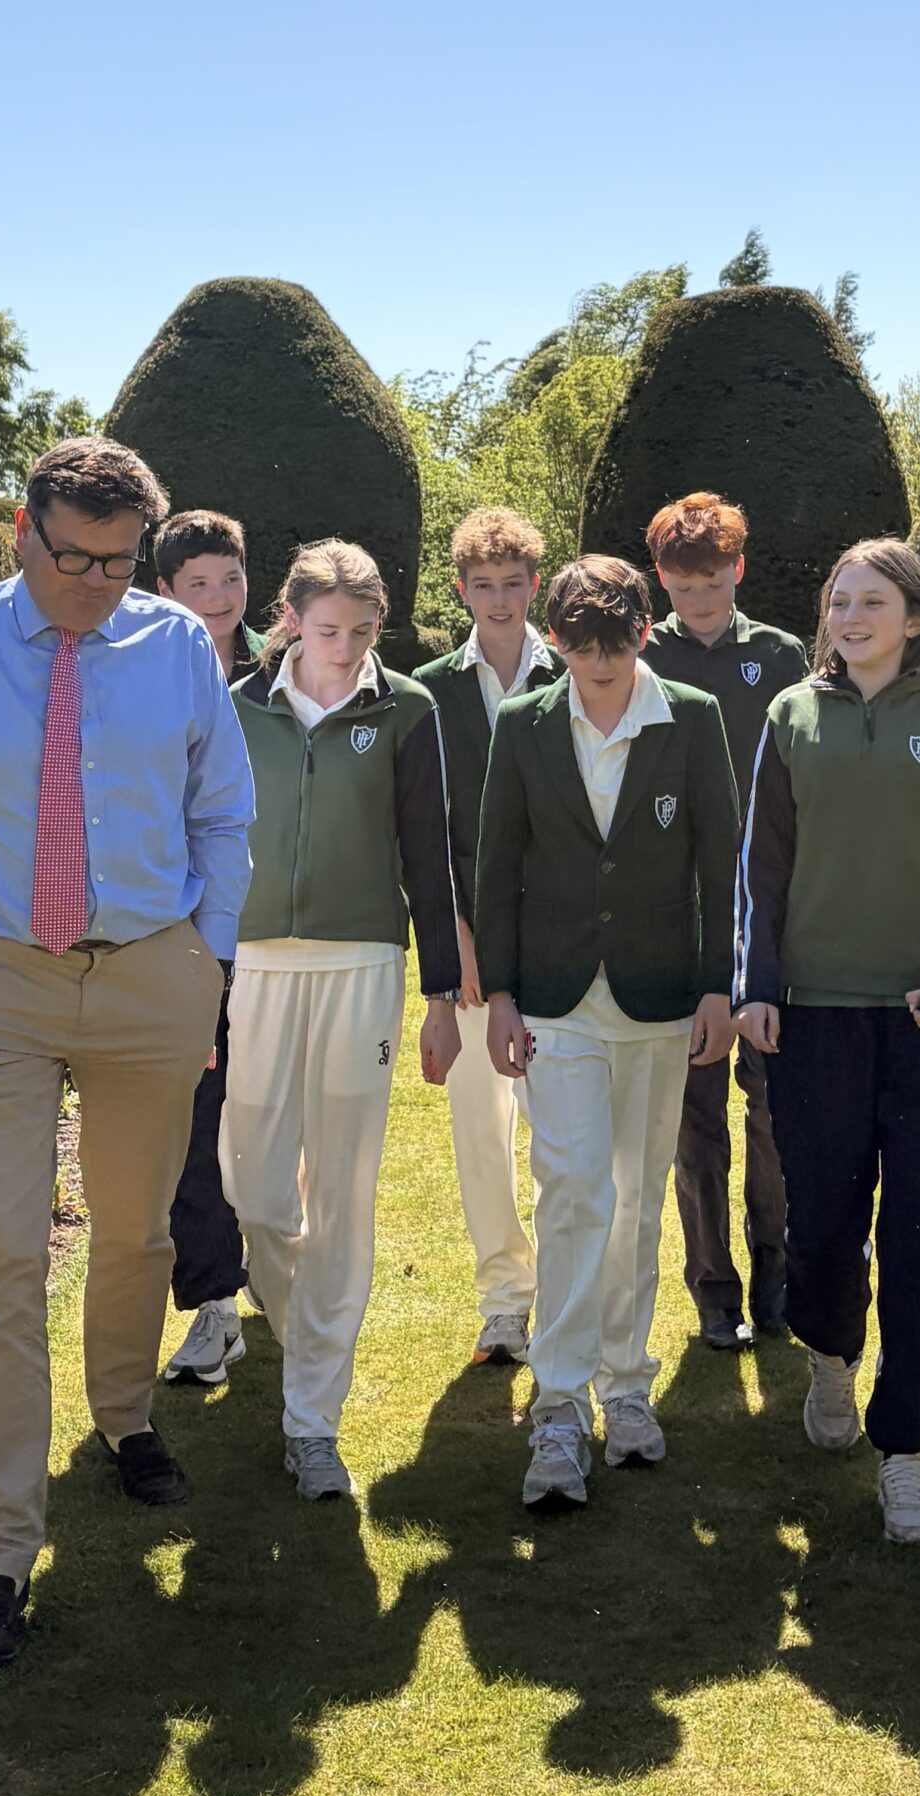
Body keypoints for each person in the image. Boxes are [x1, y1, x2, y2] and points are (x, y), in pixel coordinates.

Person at [0, 436, 253, 1668]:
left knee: (135, 1232)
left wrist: (208, 957)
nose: (91, 583)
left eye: (118, 561)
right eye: (72, 556)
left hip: (149, 981)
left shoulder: (174, 644)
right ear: (19, 530)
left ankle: (125, 1420)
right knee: (3, 1255)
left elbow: (221, 809)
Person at [733, 537, 920, 1547]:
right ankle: (830, 1355)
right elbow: (760, 870)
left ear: (912, 617)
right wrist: (755, 989)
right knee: (821, 1224)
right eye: (837, 601)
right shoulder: (790, 718)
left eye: (871, 602)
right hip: (810, 1019)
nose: (849, 618)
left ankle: (904, 1450)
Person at [475, 555, 738, 1512]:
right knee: (573, 1186)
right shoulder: (523, 725)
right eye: (582, 653)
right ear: (557, 643)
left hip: (663, 998)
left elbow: (722, 862)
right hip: (553, 997)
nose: (601, 668)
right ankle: (557, 1402)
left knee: (635, 1199)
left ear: (643, 637)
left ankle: (628, 1387)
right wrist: (498, 994)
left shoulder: (693, 721)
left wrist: (719, 987)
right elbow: (498, 862)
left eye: (616, 652)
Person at [223, 539, 461, 1501]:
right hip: (256, 963)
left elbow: (429, 855)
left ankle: (313, 1421)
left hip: (365, 962)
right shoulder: (236, 709)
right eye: (328, 631)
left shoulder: (409, 708)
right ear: (289, 622)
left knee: (346, 1195)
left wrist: (442, 996)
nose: (346, 649)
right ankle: (301, 1322)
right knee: (256, 1189)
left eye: (364, 632)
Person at [639, 491, 806, 1352]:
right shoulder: (640, 655)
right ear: (660, 577)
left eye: (711, 582)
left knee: (774, 1110)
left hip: (773, 913)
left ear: (737, 569)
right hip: (679, 916)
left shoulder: (781, 657)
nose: (697, 599)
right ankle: (714, 1288)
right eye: (681, 583)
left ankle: (775, 1266)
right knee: (693, 1116)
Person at [412, 507, 561, 1367]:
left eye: (513, 584)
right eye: (483, 586)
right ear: (461, 589)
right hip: (471, 945)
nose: (499, 601)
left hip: (560, 944)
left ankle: (567, 1295)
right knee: (482, 1131)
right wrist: (457, 937)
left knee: (563, 1133)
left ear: (535, 585)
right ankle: (504, 1302)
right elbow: (422, 831)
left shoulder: (577, 670)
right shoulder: (430, 688)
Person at [150, 509, 265, 1388]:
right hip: (185, 935)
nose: (220, 599)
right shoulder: (147, 671)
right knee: (197, 1112)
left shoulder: (290, 667)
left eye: (230, 580)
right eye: (199, 584)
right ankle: (213, 1304)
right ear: (166, 591)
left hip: (282, 933)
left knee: (268, 1109)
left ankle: (270, 1265)